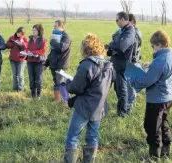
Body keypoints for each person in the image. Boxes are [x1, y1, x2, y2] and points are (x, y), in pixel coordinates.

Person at [128, 30, 172, 159]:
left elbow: (147, 81)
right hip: (169, 97)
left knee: (152, 127)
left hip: (157, 99)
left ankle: (154, 156)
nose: (153, 49)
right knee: (164, 123)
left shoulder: (160, 60)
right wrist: (150, 65)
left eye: (153, 46)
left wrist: (131, 80)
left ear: (160, 44)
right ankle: (166, 152)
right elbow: (164, 69)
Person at [63, 33, 114, 163]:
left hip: (84, 107)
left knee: (73, 137)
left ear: (86, 48)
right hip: (100, 107)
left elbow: (76, 87)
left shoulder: (87, 65)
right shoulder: (109, 65)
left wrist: (68, 83)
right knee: (92, 136)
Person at [106, 12, 135, 117]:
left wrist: (111, 44)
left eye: (117, 20)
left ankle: (123, 112)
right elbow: (117, 43)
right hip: (116, 63)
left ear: (123, 19)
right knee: (118, 88)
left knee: (122, 89)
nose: (116, 22)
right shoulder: (124, 30)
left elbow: (121, 46)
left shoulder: (130, 31)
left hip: (122, 64)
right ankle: (123, 110)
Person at [45, 20, 72, 102]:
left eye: (56, 26)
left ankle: (64, 101)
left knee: (60, 83)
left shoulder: (66, 37)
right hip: (53, 63)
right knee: (56, 82)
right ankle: (60, 99)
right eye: (54, 26)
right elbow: (52, 51)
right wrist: (47, 62)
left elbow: (61, 48)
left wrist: (52, 42)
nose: (54, 28)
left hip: (61, 64)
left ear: (62, 27)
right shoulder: (55, 36)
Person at [126, 13, 143, 113]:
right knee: (130, 85)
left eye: (127, 21)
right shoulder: (136, 31)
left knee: (130, 85)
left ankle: (128, 109)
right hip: (135, 61)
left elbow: (133, 50)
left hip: (132, 62)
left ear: (132, 21)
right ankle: (131, 104)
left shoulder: (134, 33)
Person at [5, 27, 28, 92]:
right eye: (18, 33)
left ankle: (20, 89)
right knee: (14, 75)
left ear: (23, 34)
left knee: (20, 74)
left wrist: (21, 43)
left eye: (21, 34)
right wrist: (13, 43)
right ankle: (15, 88)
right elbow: (7, 45)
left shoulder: (24, 39)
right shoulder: (12, 37)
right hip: (13, 59)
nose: (19, 34)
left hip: (21, 59)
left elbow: (27, 47)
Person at [27, 24, 47, 98]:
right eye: (33, 30)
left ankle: (38, 95)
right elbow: (27, 48)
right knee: (31, 78)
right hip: (30, 61)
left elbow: (43, 50)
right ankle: (33, 95)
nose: (33, 31)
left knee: (38, 79)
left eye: (35, 30)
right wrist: (27, 52)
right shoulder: (30, 39)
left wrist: (34, 53)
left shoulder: (43, 40)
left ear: (39, 31)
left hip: (39, 62)